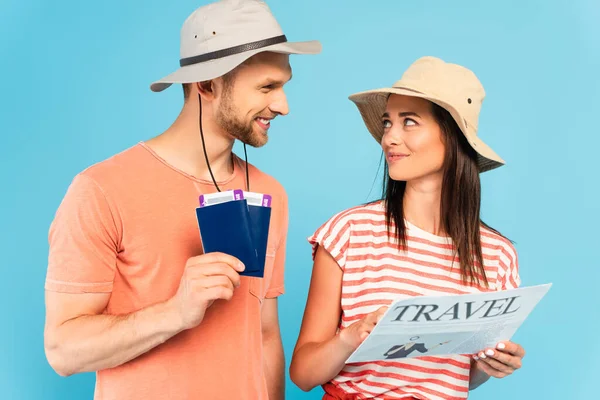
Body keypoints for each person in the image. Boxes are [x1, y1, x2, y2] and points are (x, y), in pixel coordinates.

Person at [43, 1, 321, 399]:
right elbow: (62, 351)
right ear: (206, 84)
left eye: (284, 85)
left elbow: (263, 334)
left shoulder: (270, 193)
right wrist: (175, 313)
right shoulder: (101, 189)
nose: (283, 106)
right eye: (266, 87)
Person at [290, 56, 525, 399]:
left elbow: (461, 376)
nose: (389, 138)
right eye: (388, 123)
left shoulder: (497, 257)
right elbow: (303, 374)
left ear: (453, 137)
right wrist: (352, 335)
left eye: (409, 122)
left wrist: (491, 364)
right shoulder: (349, 232)